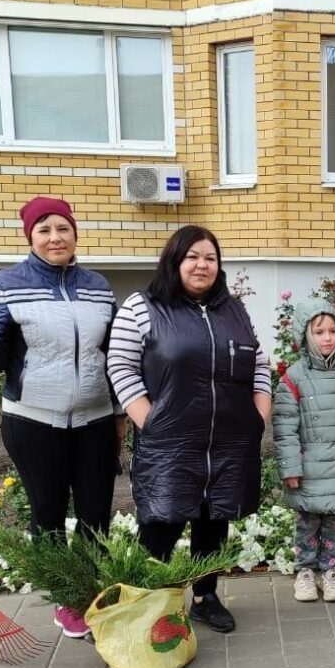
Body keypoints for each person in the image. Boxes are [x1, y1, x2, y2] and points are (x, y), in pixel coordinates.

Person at [0, 196, 126, 639]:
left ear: (75, 233)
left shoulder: (98, 286)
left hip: (96, 420)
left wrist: (120, 412)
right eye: (45, 229)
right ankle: (64, 596)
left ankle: (89, 595)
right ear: (29, 235)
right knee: (47, 510)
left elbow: (112, 356)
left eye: (63, 228)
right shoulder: (4, 285)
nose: (55, 237)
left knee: (95, 514)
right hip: (33, 421)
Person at [107, 225, 272, 633]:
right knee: (160, 525)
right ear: (175, 261)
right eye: (193, 257)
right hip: (170, 442)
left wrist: (258, 417)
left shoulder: (233, 309)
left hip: (228, 442)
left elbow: (261, 363)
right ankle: (144, 602)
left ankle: (205, 596)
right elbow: (120, 365)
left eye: (210, 258)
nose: (202, 265)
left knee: (213, 521)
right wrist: (151, 420)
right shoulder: (142, 307)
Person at [272, 297, 335, 603]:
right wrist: (290, 467)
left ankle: (331, 572)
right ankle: (305, 573)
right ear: (306, 335)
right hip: (309, 468)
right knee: (307, 523)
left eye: (333, 331)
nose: (327, 337)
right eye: (319, 332)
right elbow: (285, 427)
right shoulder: (294, 377)